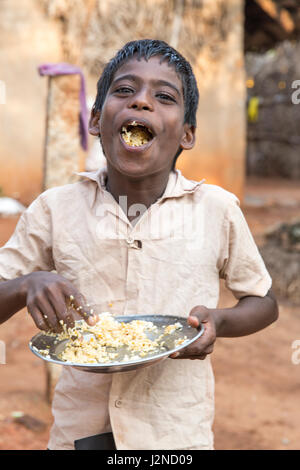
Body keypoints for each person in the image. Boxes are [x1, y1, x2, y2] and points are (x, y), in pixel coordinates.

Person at [0, 39, 278, 450]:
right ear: (96, 120)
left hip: (173, 434)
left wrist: (220, 321)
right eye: (124, 91)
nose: (141, 103)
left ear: (187, 134)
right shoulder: (55, 209)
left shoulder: (215, 210)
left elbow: (264, 302)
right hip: (82, 432)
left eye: (163, 97)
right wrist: (26, 285)